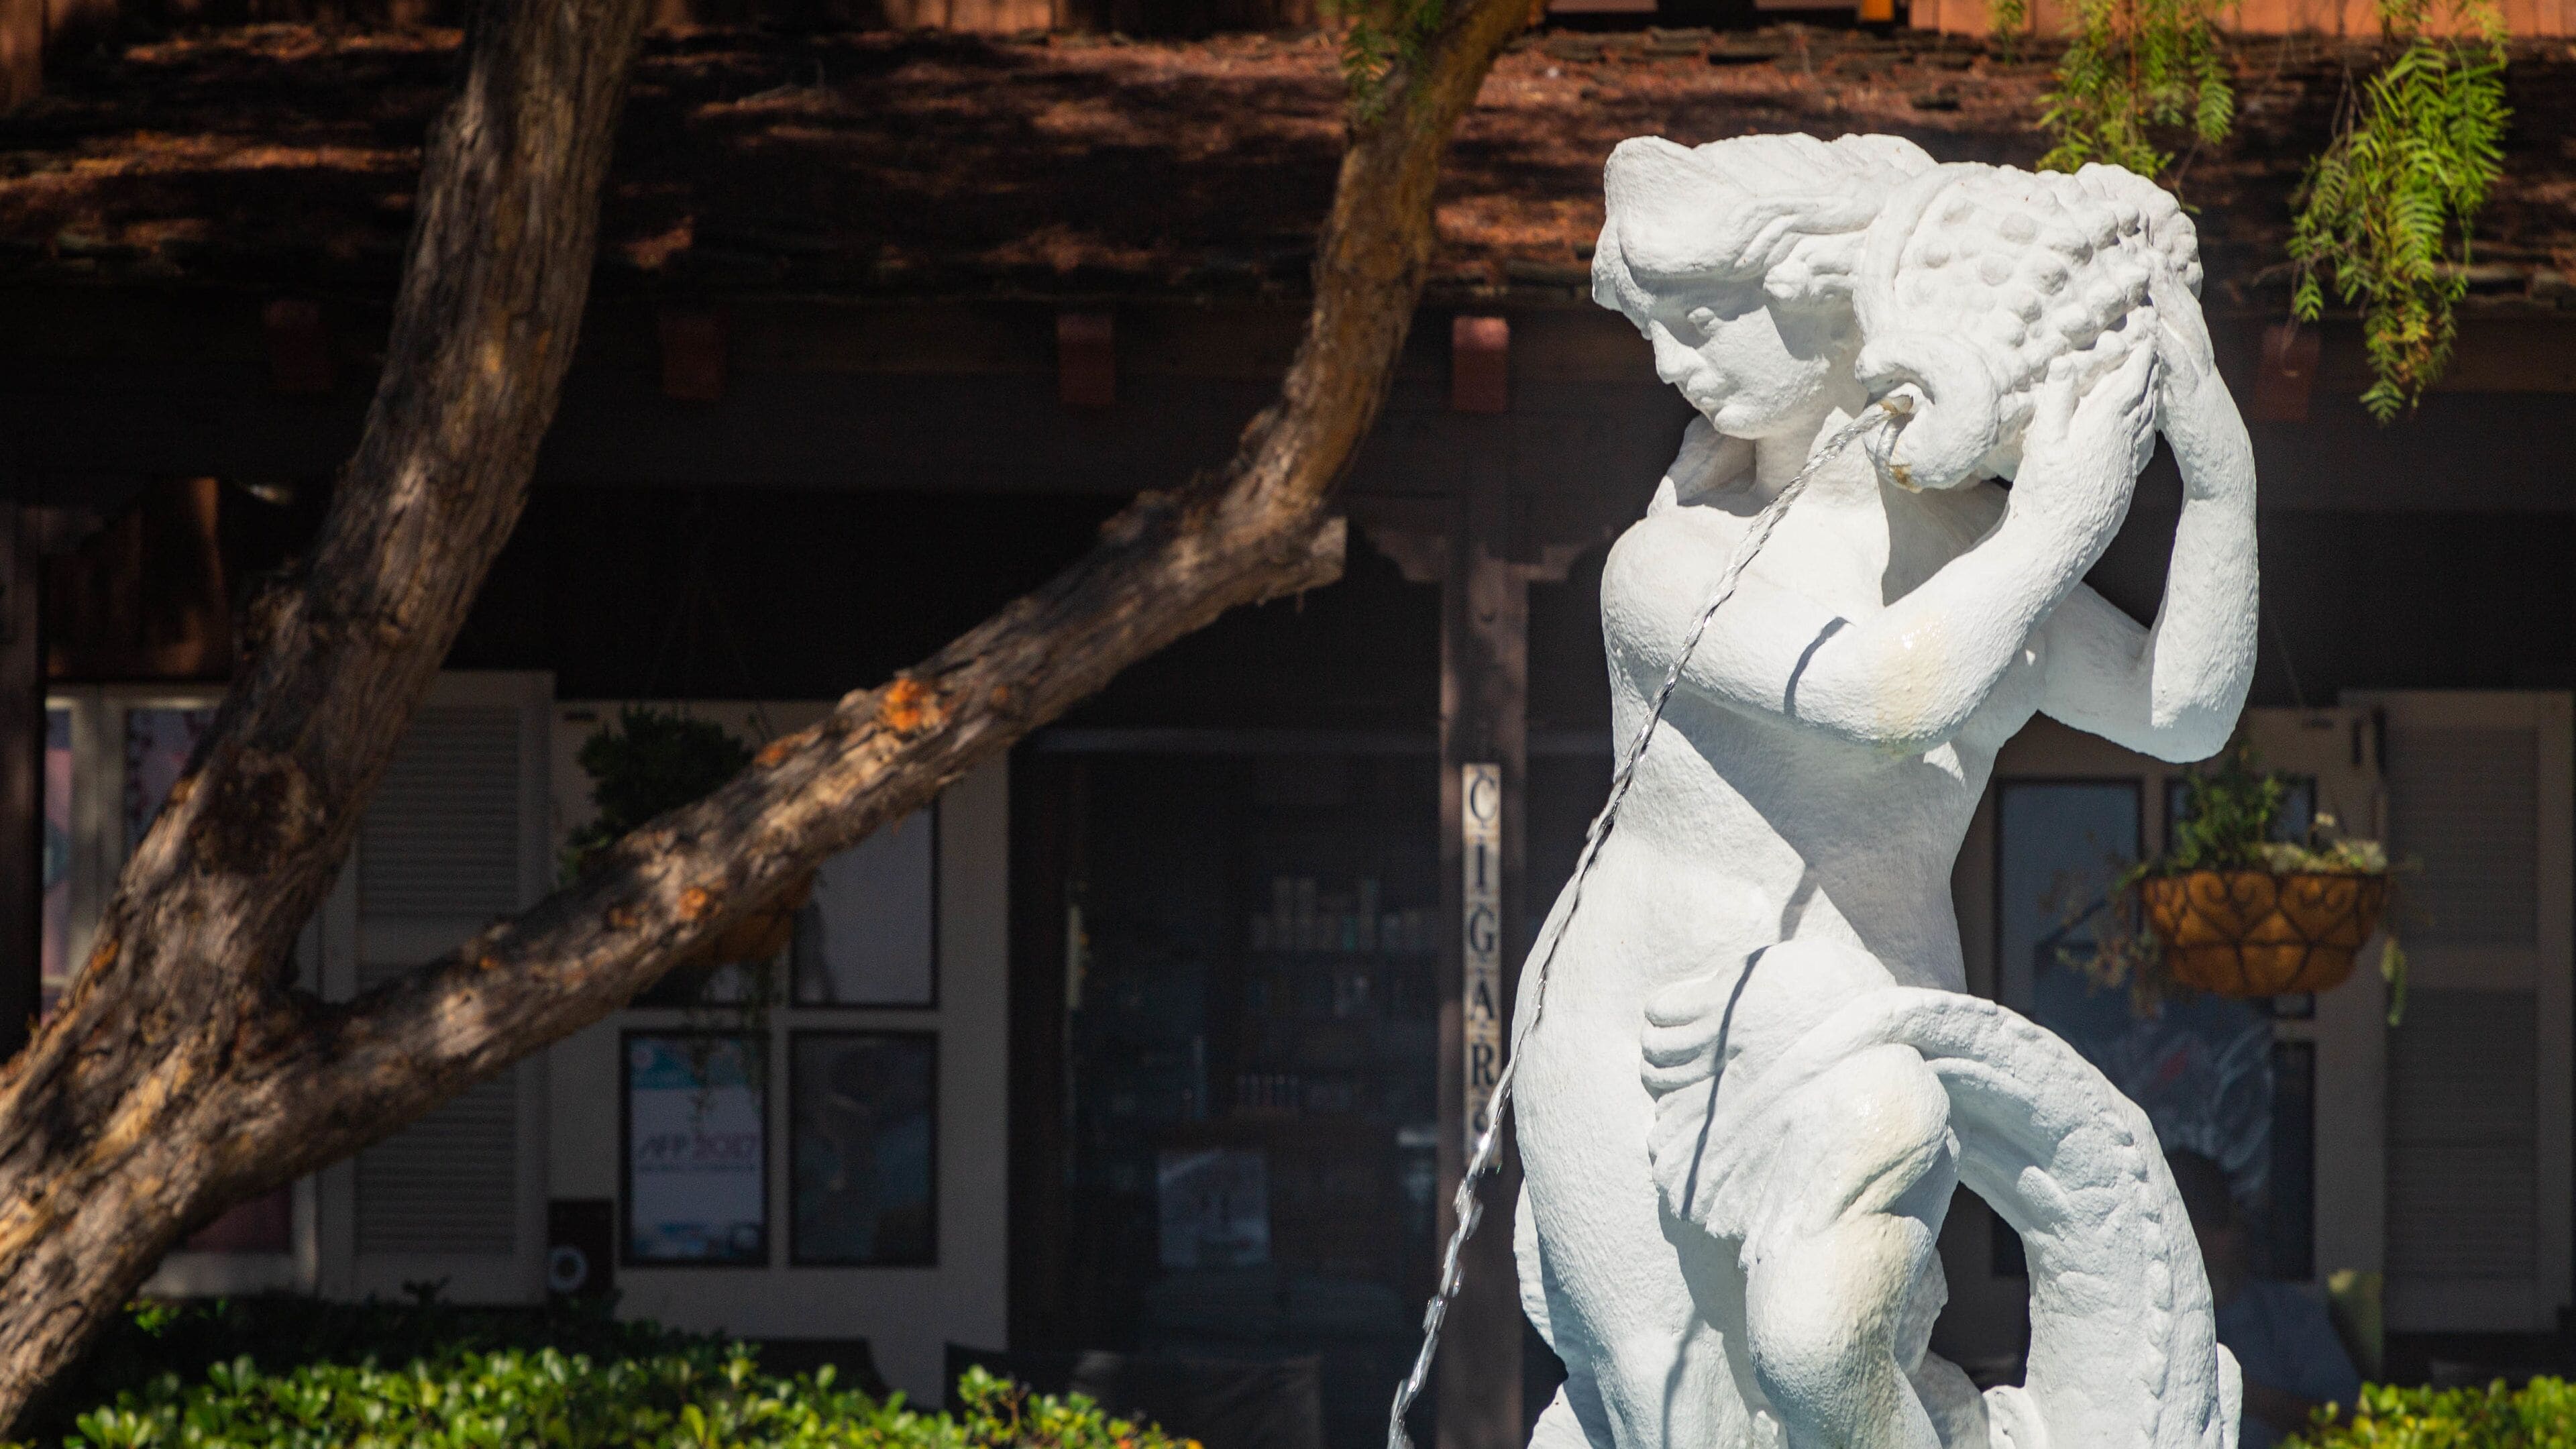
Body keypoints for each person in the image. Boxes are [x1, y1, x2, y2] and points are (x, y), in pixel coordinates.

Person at [2169, 1150, 2362, 1447]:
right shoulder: (2142, 1322)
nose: (2202, 1246)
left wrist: (2249, 1396)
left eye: (2219, 1222)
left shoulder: (2290, 1317)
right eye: (2190, 1229)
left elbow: (2352, 1425)